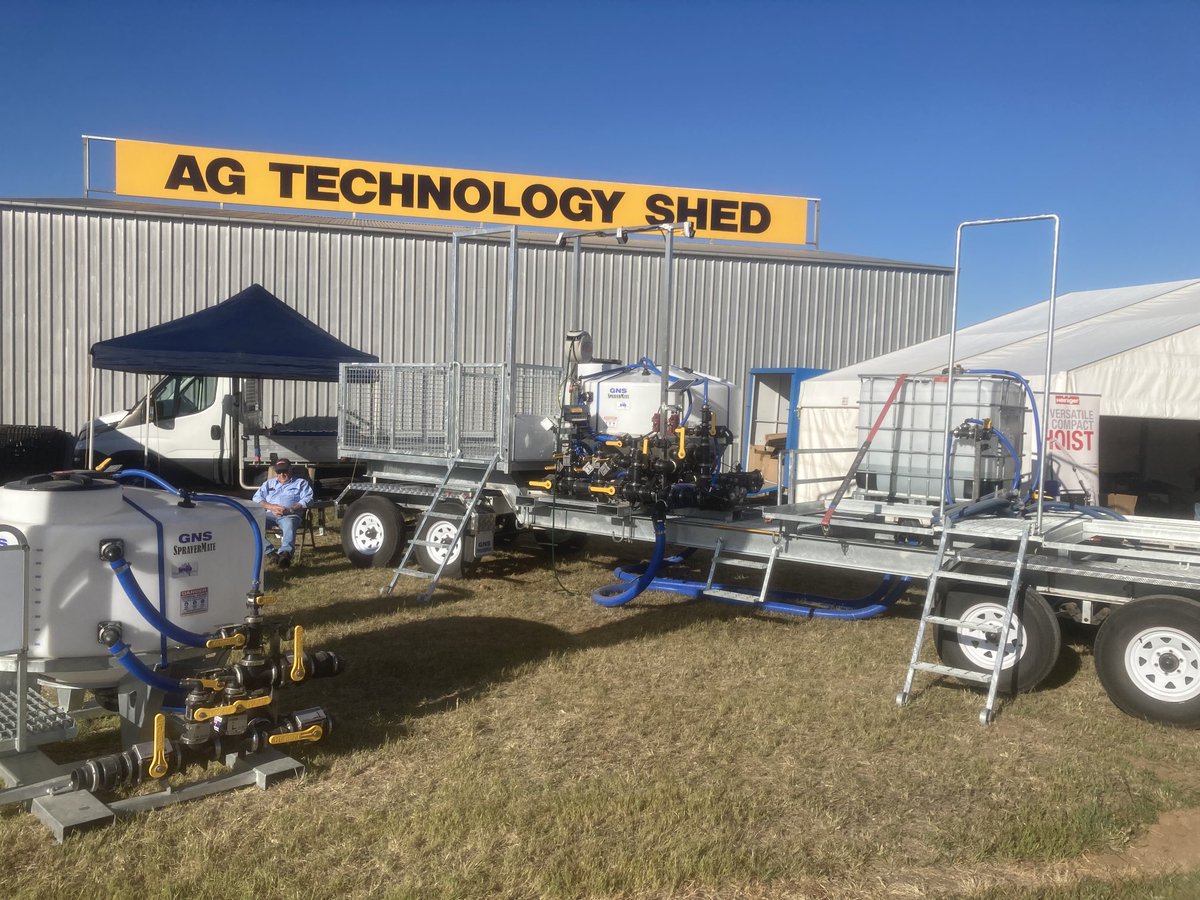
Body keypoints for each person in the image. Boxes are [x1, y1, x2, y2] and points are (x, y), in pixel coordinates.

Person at [252, 458, 313, 568]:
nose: (282, 474)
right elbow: (256, 498)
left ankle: (285, 554)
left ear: (290, 469)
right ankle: (270, 553)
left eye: (284, 471)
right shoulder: (268, 484)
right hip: (270, 514)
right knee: (252, 523)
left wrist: (291, 509)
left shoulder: (301, 483)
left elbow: (308, 499)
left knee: (289, 524)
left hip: (290, 514)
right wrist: (271, 506)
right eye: (279, 472)